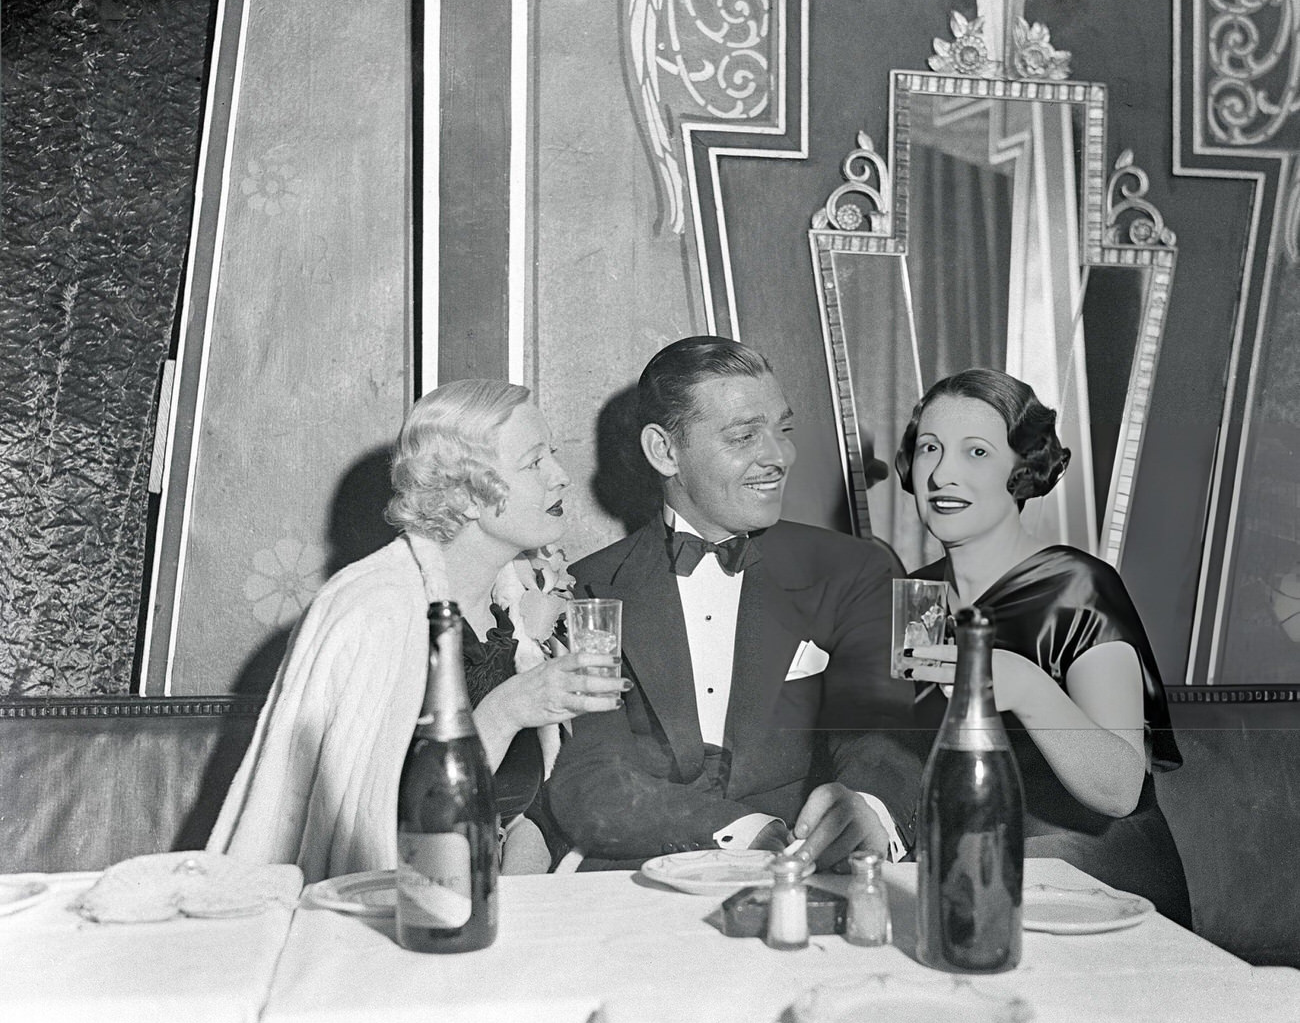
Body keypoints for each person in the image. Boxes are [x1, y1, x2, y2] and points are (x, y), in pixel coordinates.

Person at [207, 379, 625, 882]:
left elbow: (524, 804)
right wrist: (508, 709)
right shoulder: (374, 610)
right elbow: (374, 832)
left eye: (552, 456)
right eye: (535, 462)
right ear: (468, 495)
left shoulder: (513, 604)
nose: (560, 477)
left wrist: (523, 871)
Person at [544, 336, 921, 871]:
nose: (779, 456)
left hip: (818, 863)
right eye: (744, 436)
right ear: (665, 452)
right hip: (638, 869)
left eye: (783, 430)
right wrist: (738, 831)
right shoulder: (585, 590)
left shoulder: (861, 570)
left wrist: (871, 812)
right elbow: (592, 773)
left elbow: (893, 733)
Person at [897, 367, 1192, 926]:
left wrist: (1026, 686)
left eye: (976, 452)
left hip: (1088, 880)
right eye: (930, 448)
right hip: (961, 871)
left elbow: (1120, 788)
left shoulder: (1079, 584)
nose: (942, 473)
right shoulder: (918, 597)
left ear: (1022, 469)